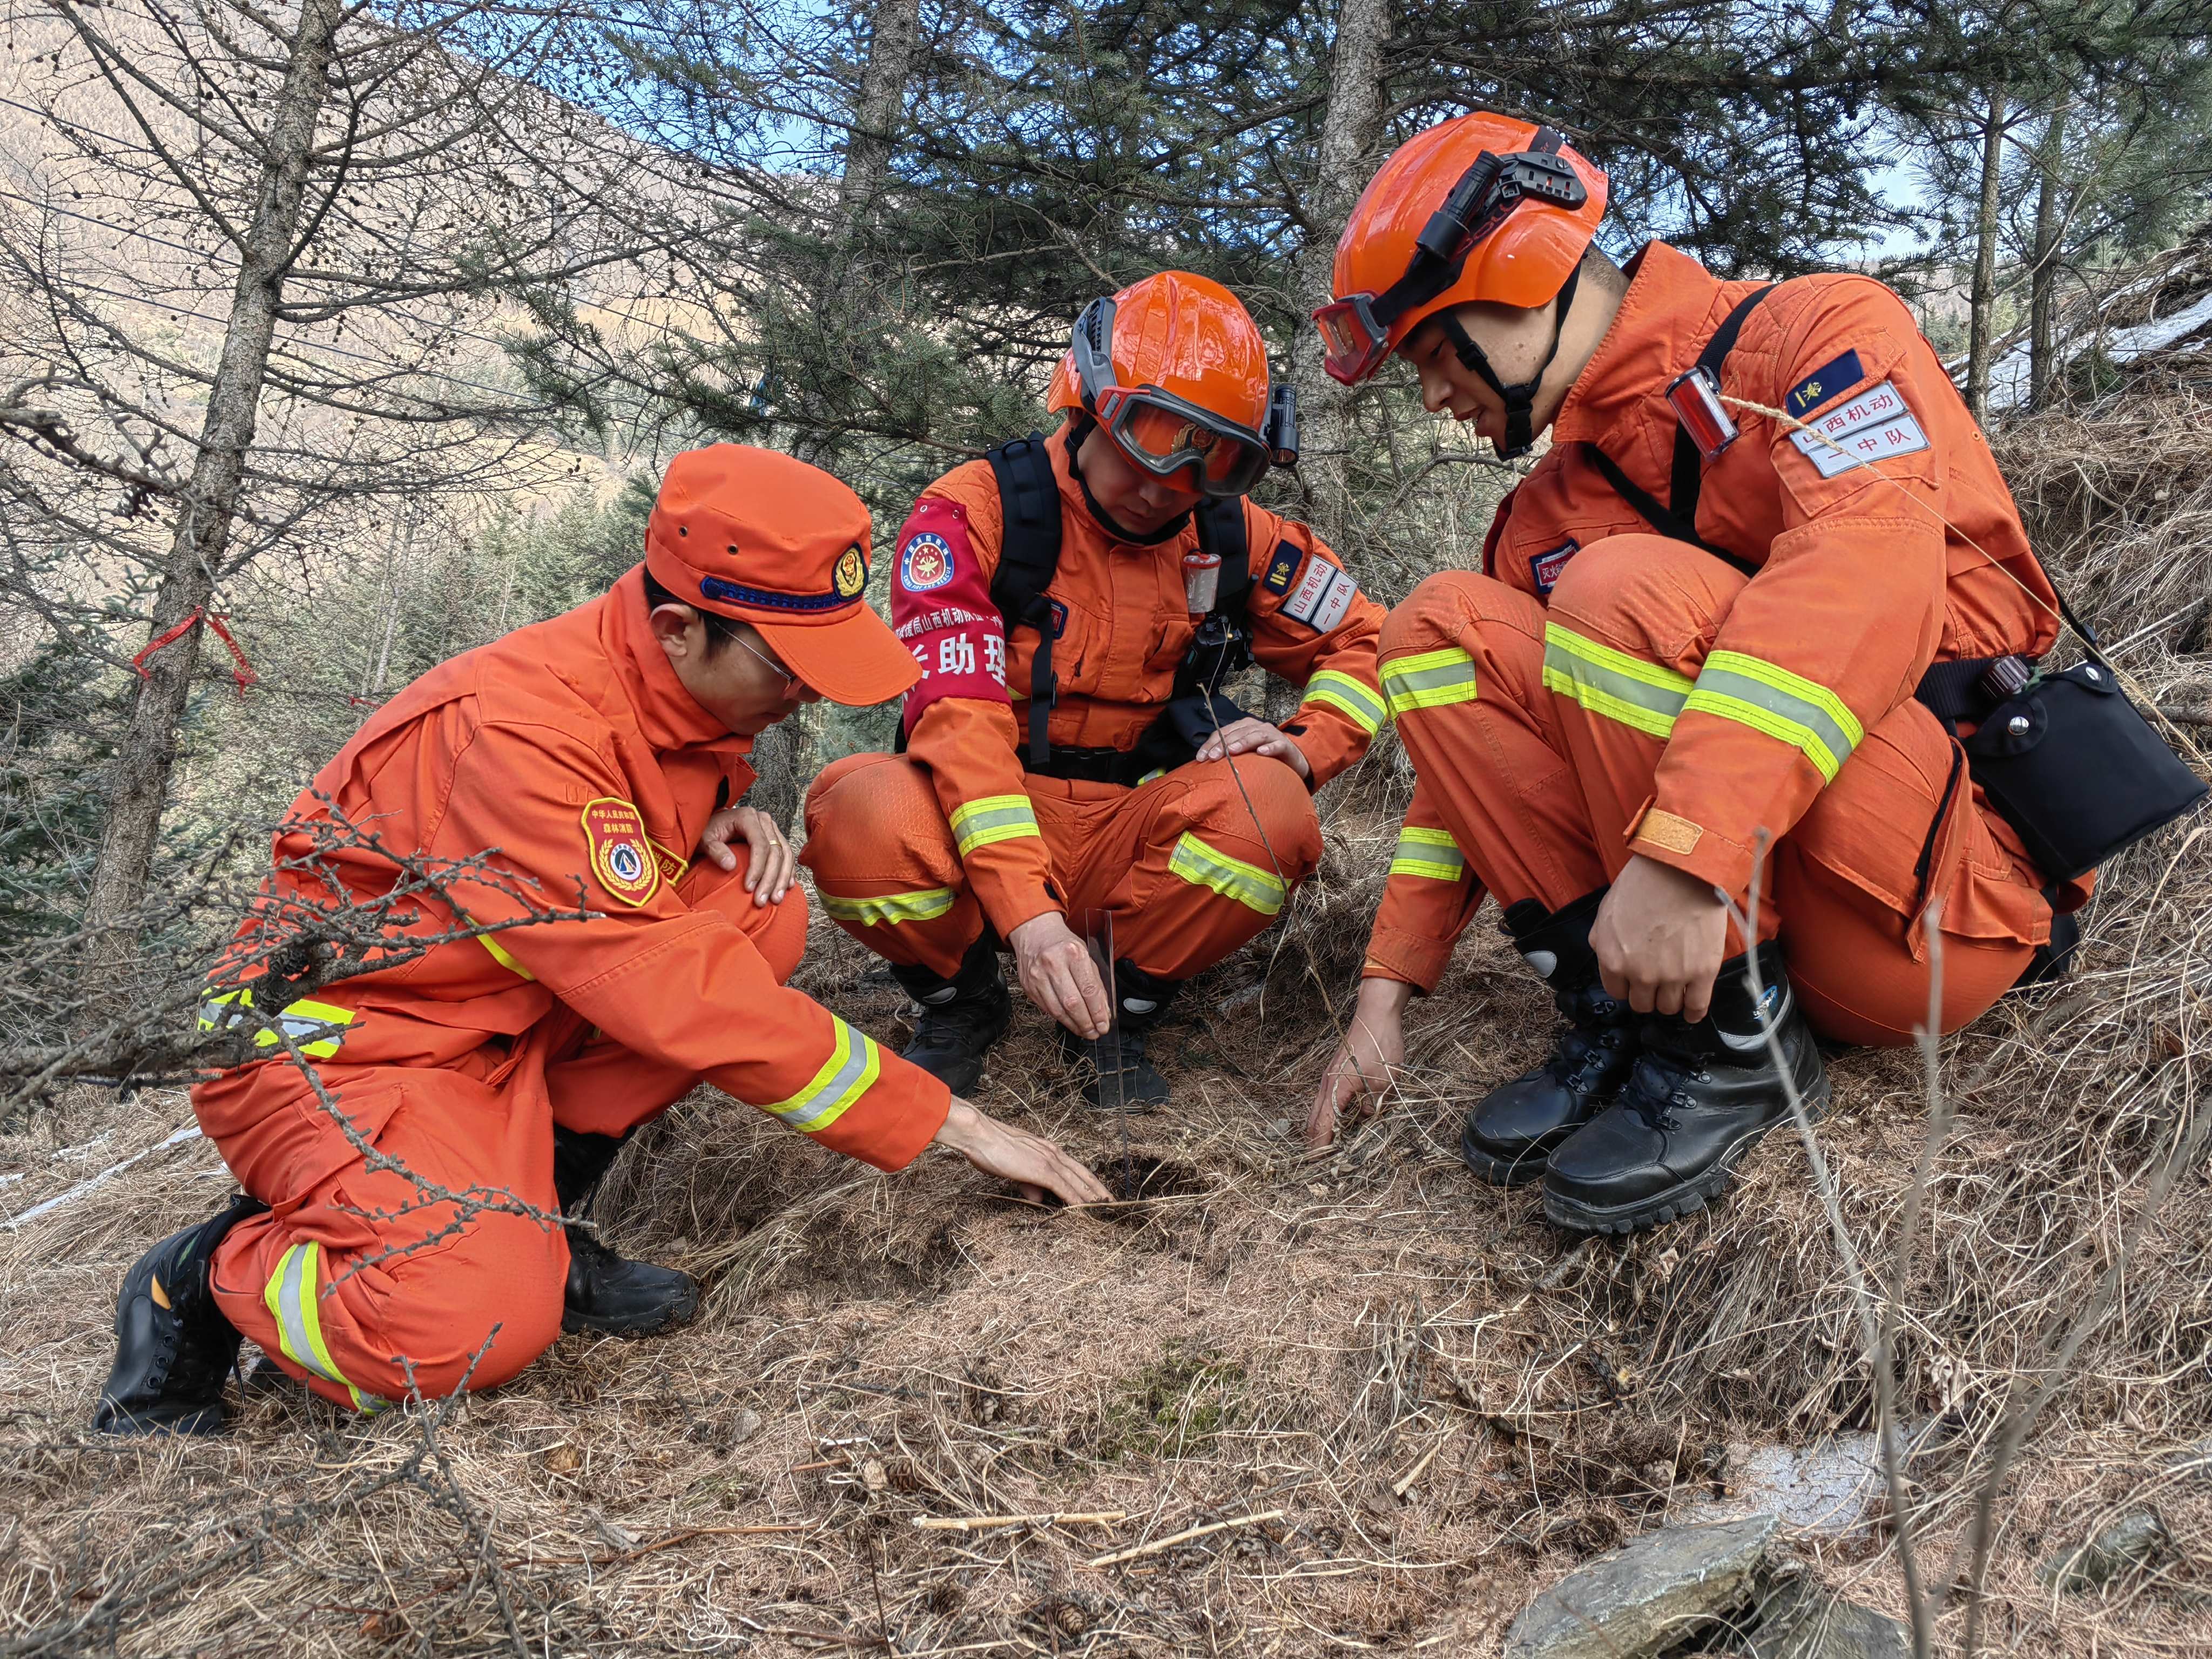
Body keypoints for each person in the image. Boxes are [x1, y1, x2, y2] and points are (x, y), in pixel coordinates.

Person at [95, 444, 1109, 1437]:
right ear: (678, 628)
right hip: (348, 1051)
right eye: (789, 667)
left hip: (487, 1014)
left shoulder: (652, 676)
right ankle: (212, 1274)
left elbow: (629, 819)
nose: (805, 693)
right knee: (465, 1328)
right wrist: (953, 1122)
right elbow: (668, 985)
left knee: (755, 908)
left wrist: (722, 812)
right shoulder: (518, 726)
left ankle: (531, 1209)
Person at [1306, 113, 2087, 1234]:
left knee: (1620, 591)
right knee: (1435, 629)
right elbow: (1466, 773)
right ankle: (1631, 1022)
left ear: (1522, 275)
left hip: (1925, 910)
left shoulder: (1818, 334)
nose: (1432, 397)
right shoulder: (1542, 515)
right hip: (1738, 910)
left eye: (1434, 352)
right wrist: (1386, 992)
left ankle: (1737, 1049)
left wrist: (1684, 860)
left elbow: (1864, 580)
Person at [802, 272, 1387, 1108]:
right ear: (1086, 402)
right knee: (859, 815)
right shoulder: (973, 514)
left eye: (1209, 458)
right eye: (1150, 438)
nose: (1166, 485)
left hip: (1134, 826)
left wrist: (1309, 743)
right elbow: (961, 721)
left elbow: (1370, 638)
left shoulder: (1233, 534)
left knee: (1273, 811)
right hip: (992, 816)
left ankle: (1125, 1011)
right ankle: (962, 1004)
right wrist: (1027, 915)